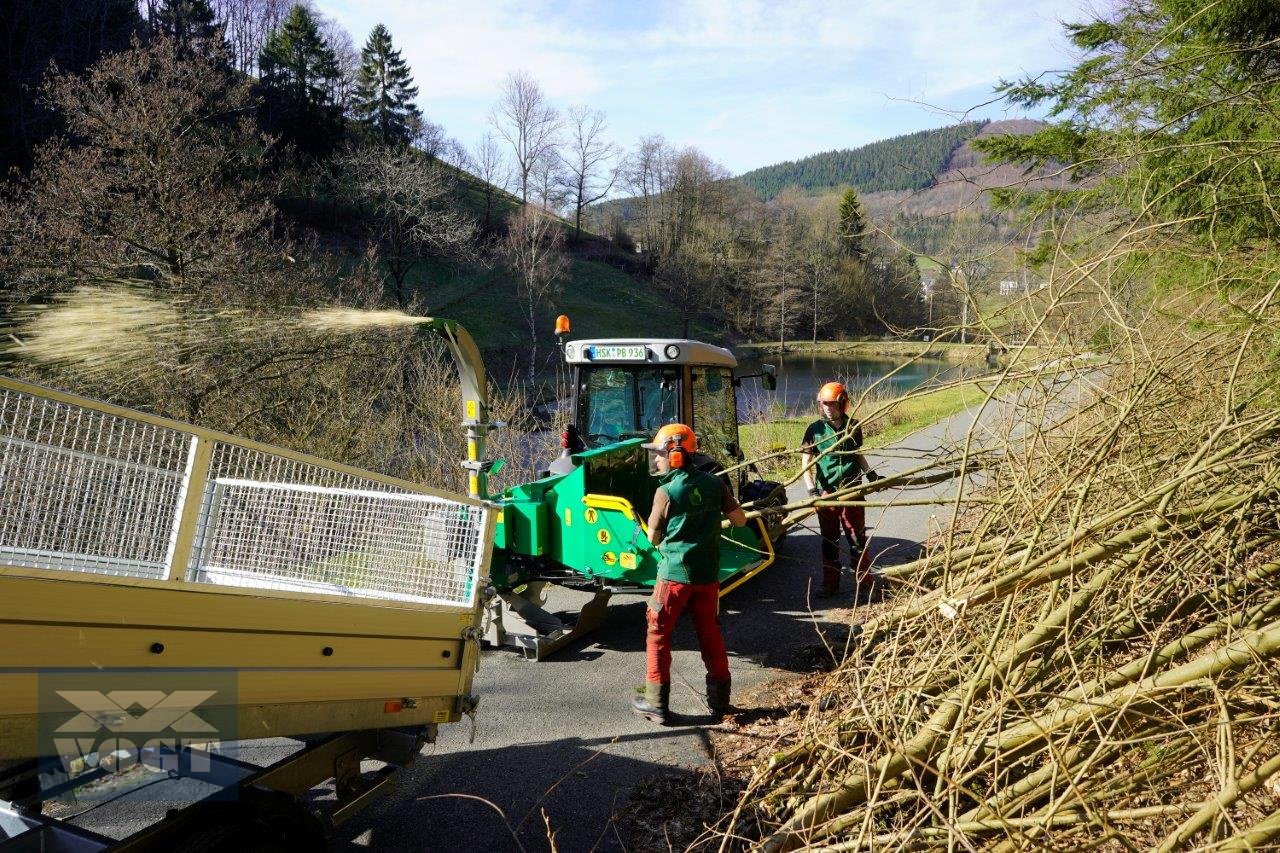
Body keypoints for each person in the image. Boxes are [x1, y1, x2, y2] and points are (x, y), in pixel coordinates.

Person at [631, 423, 748, 725]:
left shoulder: (665, 491)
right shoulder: (715, 484)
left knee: (658, 633)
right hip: (707, 576)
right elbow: (739, 520)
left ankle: (655, 703)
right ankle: (720, 702)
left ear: (676, 455)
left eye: (659, 454)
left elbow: (653, 538)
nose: (656, 460)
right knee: (709, 632)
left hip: (673, 577)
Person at [801, 382, 880, 598]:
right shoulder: (814, 430)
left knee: (857, 539)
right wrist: (812, 491)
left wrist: (871, 474)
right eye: (824, 404)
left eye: (831, 404)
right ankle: (830, 583)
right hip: (826, 493)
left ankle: (865, 584)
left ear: (842, 403)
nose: (827, 408)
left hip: (852, 490)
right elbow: (806, 462)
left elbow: (857, 454)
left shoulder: (853, 426)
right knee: (829, 540)